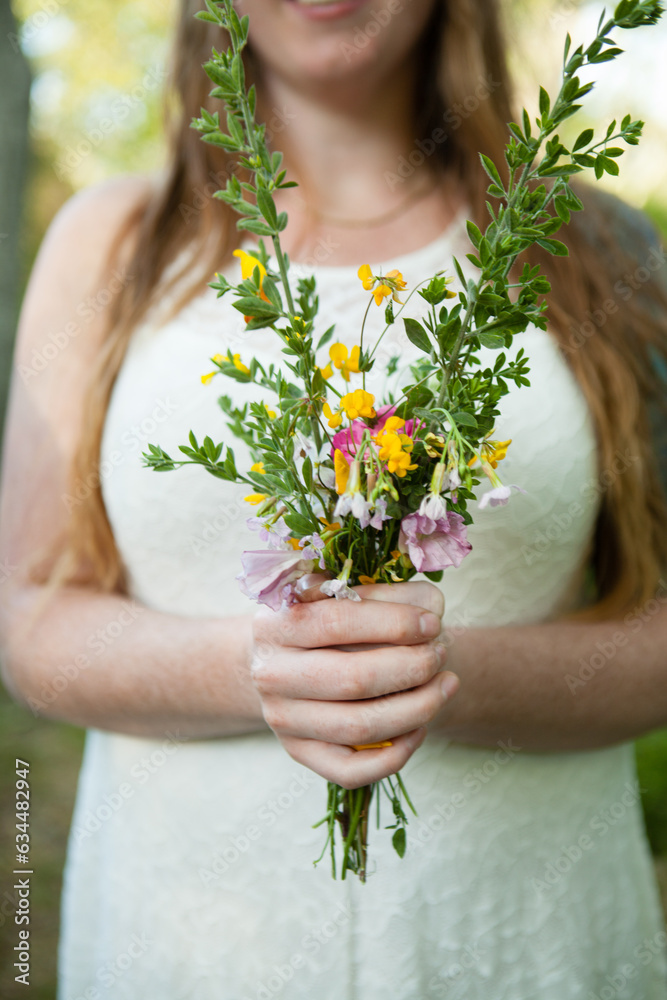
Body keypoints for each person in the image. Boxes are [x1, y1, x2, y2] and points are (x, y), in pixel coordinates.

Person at [1, 0, 666, 996]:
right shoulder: (113, 247)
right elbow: (30, 614)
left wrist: (435, 678)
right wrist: (259, 667)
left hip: (526, 936)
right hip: (188, 944)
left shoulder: (590, 246)